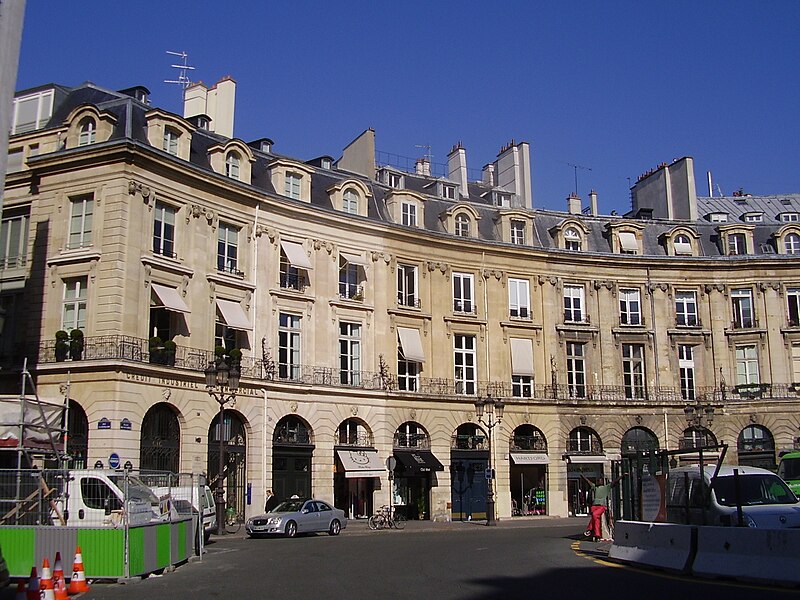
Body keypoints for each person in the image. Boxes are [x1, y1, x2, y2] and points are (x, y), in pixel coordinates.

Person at [580, 472, 626, 541]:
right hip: (594, 506)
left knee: (595, 515)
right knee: (596, 519)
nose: (599, 481)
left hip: (601, 506)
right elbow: (588, 481)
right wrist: (583, 476)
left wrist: (622, 475)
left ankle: (589, 530)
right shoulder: (595, 487)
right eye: (598, 480)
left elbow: (615, 481)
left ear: (603, 482)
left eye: (600, 480)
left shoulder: (606, 487)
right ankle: (597, 535)